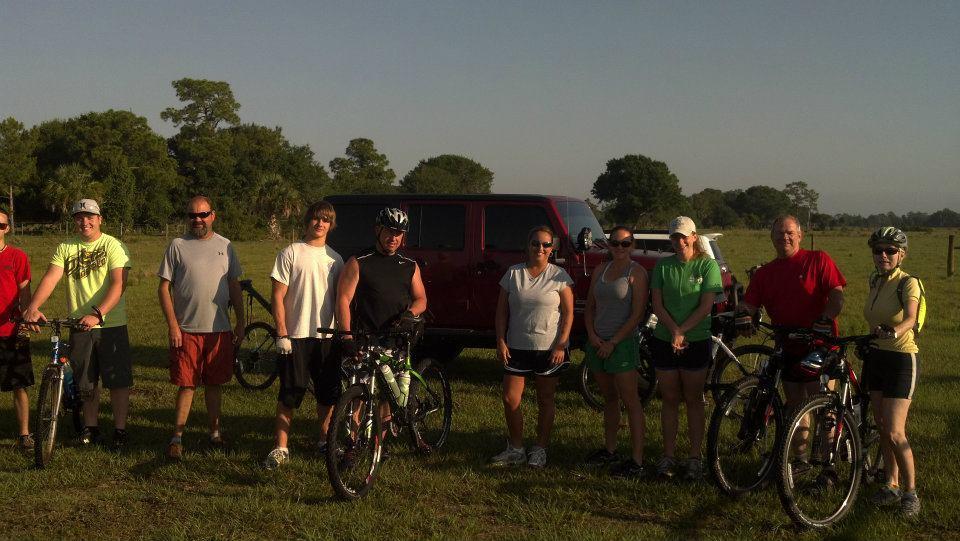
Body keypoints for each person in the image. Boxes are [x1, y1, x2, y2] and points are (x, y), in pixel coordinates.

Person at [23, 199, 134, 450]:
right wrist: (33, 307)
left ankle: (120, 430)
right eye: (79, 217)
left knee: (117, 381)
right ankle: (90, 429)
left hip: (110, 324)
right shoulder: (66, 247)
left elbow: (119, 284)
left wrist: (99, 314)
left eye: (90, 217)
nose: (85, 222)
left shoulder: (113, 245)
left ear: (100, 219)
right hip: (79, 324)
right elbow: (51, 277)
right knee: (86, 381)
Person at [737, 215, 846, 445]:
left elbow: (837, 295)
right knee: (796, 410)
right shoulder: (765, 273)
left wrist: (826, 317)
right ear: (771, 237)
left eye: (789, 233)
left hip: (819, 345)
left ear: (800, 235)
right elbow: (749, 303)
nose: (784, 237)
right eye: (779, 233)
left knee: (823, 410)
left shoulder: (818, 259)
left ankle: (827, 461)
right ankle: (798, 460)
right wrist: (744, 314)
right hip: (788, 347)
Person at [158, 196, 244, 460]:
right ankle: (177, 438)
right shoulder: (177, 245)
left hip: (219, 330)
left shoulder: (226, 246)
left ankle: (215, 434)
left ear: (212, 216)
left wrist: (241, 322)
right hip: (186, 330)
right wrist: (173, 325)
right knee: (187, 385)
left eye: (203, 214)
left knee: (214, 384)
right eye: (192, 215)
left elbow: (234, 286)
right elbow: (163, 288)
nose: (198, 220)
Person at [335, 207, 428, 449]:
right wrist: (346, 336)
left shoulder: (409, 265)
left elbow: (421, 299)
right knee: (359, 394)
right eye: (389, 231)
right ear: (378, 230)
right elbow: (343, 299)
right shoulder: (359, 262)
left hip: (396, 339)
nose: (393, 237)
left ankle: (379, 443)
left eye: (399, 233)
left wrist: (410, 314)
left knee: (390, 395)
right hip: (365, 337)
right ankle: (352, 445)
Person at [262, 201, 344, 470]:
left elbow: (341, 300)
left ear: (331, 225)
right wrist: (281, 333)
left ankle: (324, 441)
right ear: (308, 221)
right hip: (295, 336)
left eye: (326, 220)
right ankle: (281, 447)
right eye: (316, 219)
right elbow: (277, 295)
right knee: (290, 392)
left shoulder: (336, 259)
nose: (320, 224)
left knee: (327, 395)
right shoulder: (290, 253)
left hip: (326, 338)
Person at [490, 225, 574, 468]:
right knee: (510, 398)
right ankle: (516, 448)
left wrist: (561, 344)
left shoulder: (559, 275)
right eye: (535, 243)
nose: (540, 248)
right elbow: (501, 312)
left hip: (549, 349)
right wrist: (500, 340)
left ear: (552, 249)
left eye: (546, 244)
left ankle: (540, 448)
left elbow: (568, 313)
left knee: (545, 399)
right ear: (528, 246)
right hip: (516, 346)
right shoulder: (513, 273)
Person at [649, 217, 723, 480]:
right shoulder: (663, 266)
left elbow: (706, 306)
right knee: (669, 399)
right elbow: (657, 304)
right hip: (665, 338)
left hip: (697, 338)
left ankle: (694, 457)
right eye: (674, 237)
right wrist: (674, 330)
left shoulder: (708, 265)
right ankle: (668, 455)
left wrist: (682, 331)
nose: (679, 241)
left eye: (683, 236)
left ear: (693, 236)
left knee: (693, 399)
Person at [862, 227, 921, 516]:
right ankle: (891, 484)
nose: (883, 255)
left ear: (901, 255)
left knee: (896, 431)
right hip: (876, 357)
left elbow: (910, 318)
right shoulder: (875, 280)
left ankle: (911, 493)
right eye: (878, 250)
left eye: (890, 251)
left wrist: (894, 332)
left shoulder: (908, 283)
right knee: (882, 426)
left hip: (901, 359)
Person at [582, 226, 649, 477]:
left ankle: (637, 460)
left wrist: (613, 342)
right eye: (615, 243)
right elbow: (590, 307)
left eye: (625, 243)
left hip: (622, 344)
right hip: (598, 342)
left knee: (631, 400)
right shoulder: (601, 270)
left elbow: (637, 314)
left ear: (632, 246)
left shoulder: (636, 273)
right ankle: (610, 450)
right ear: (609, 245)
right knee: (609, 397)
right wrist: (593, 336)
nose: (620, 248)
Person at [0, 208, 34, 450]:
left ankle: (24, 434)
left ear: (8, 228)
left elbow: (25, 292)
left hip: (11, 330)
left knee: (19, 384)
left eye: (0, 225)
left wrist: (26, 318)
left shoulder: (17, 256)